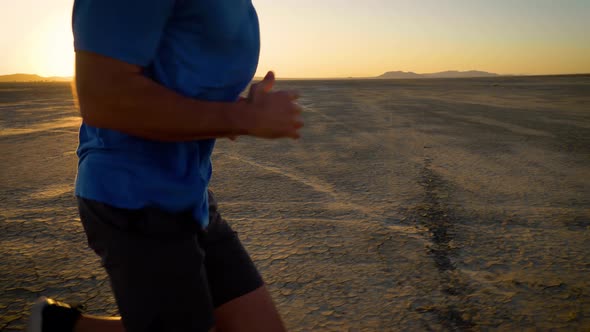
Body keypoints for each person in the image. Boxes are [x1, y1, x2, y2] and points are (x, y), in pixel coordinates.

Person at [27, 0, 303, 331]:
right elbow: (102, 96)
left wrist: (241, 112)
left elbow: (177, 74)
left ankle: (57, 326)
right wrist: (245, 118)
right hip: (131, 198)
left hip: (190, 194)